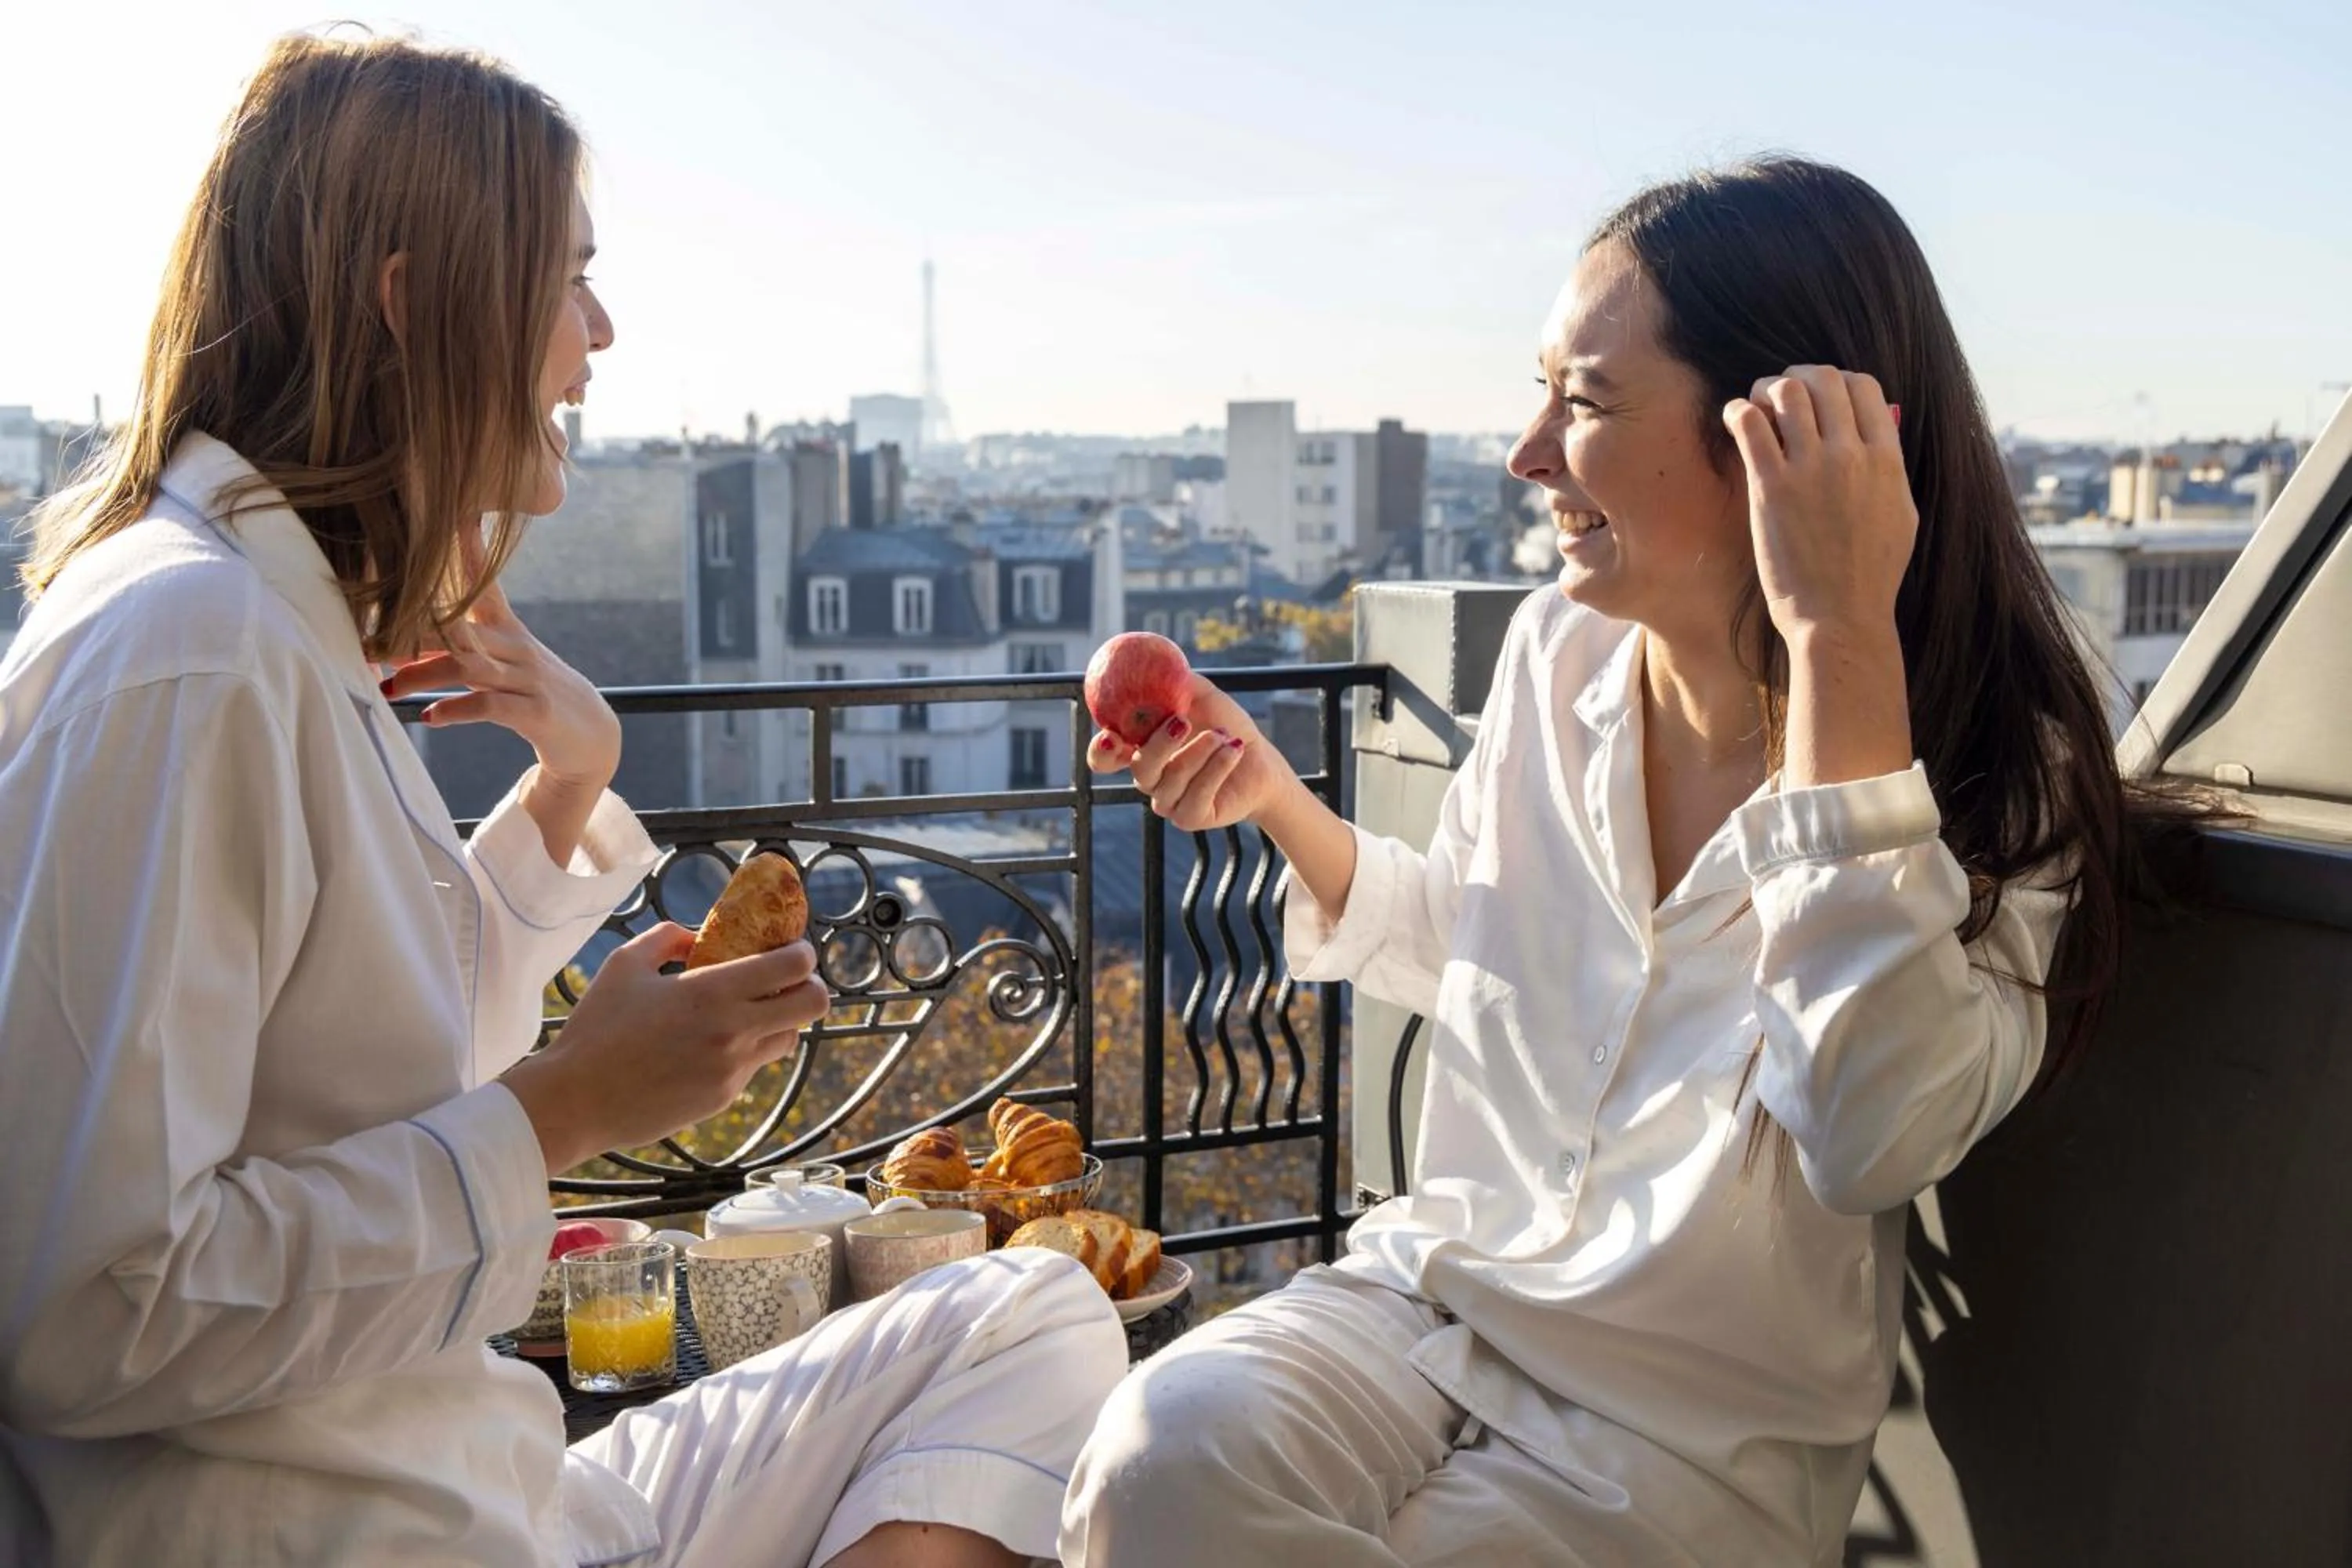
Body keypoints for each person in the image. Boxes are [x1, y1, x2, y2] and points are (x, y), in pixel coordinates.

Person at [0, 33, 1125, 1568]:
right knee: (1031, 1338)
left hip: (466, 1469)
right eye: (565, 277)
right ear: (415, 302)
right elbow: (80, 1310)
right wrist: (566, 1109)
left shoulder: (254, 628)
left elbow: (351, 1079)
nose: (598, 335)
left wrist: (571, 784)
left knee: (1034, 1309)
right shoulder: (194, 656)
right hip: (362, 1521)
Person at [1062, 157, 2165, 1566]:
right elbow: (1477, 940)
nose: (1525, 453)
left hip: (1675, 1434)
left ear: (1786, 436)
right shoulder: (1554, 649)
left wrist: (1838, 641)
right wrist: (1280, 801)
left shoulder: (2007, 776)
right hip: (1440, 1293)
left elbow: (1870, 1124)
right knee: (1155, 1458)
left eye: (1580, 403)